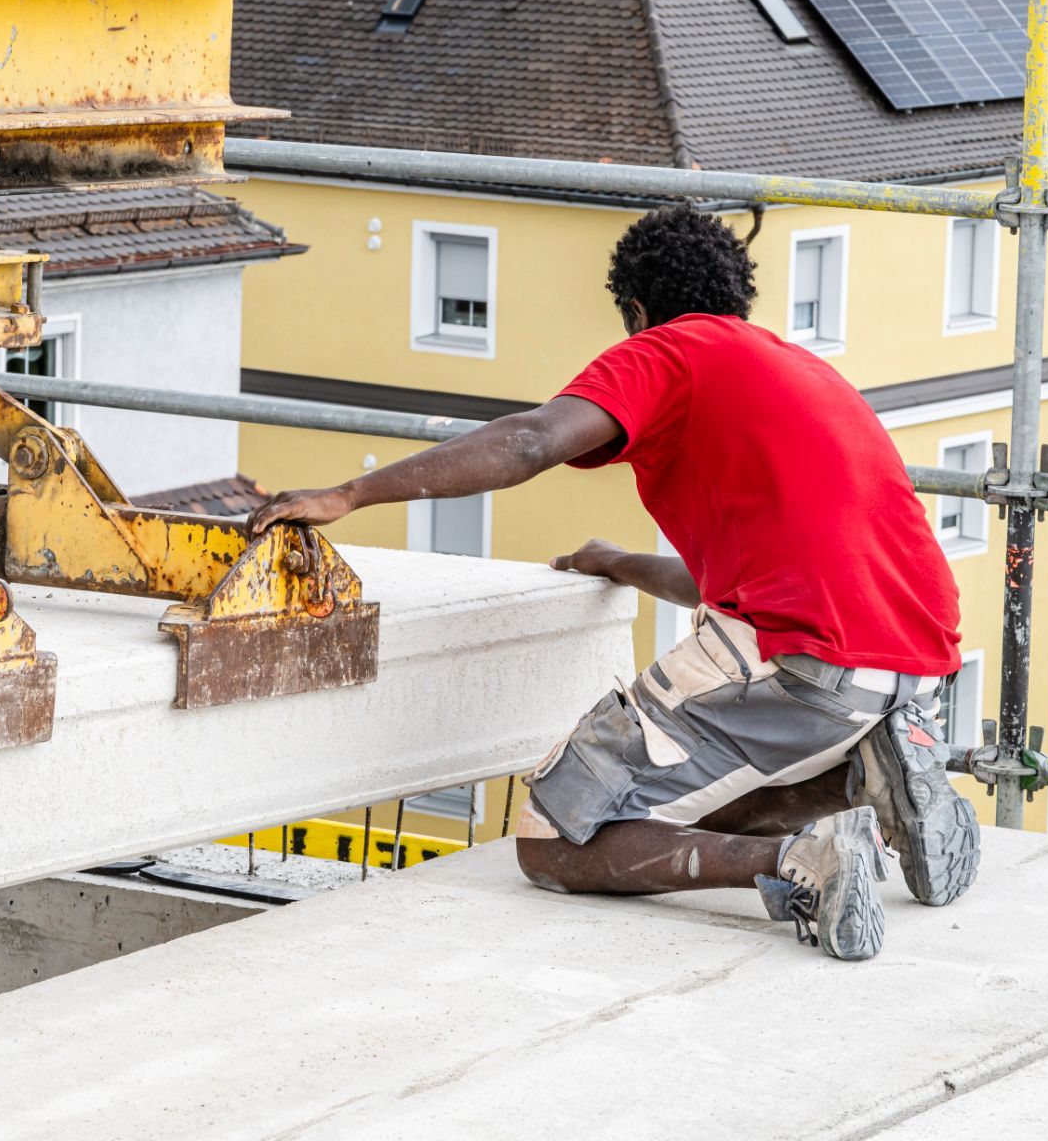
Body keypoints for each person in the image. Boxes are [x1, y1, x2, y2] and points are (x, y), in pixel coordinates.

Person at [246, 205, 976, 961]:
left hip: (808, 665)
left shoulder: (669, 350)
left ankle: (801, 861)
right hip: (910, 670)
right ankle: (859, 779)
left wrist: (350, 495)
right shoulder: (798, 369)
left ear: (637, 309)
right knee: (686, 812)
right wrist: (622, 564)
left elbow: (531, 440)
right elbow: (735, 582)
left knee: (554, 840)